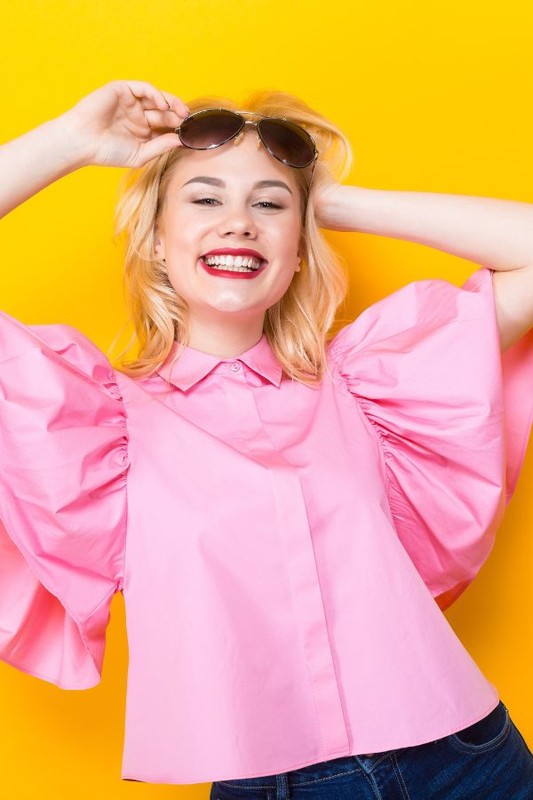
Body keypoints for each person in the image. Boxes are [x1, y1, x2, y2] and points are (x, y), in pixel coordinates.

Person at [0, 79, 532, 799]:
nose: (239, 222)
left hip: (469, 764)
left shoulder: (371, 383)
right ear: (156, 240)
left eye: (268, 205)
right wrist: (73, 141)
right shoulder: (91, 422)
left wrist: (324, 200)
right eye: (206, 198)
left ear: (299, 251)